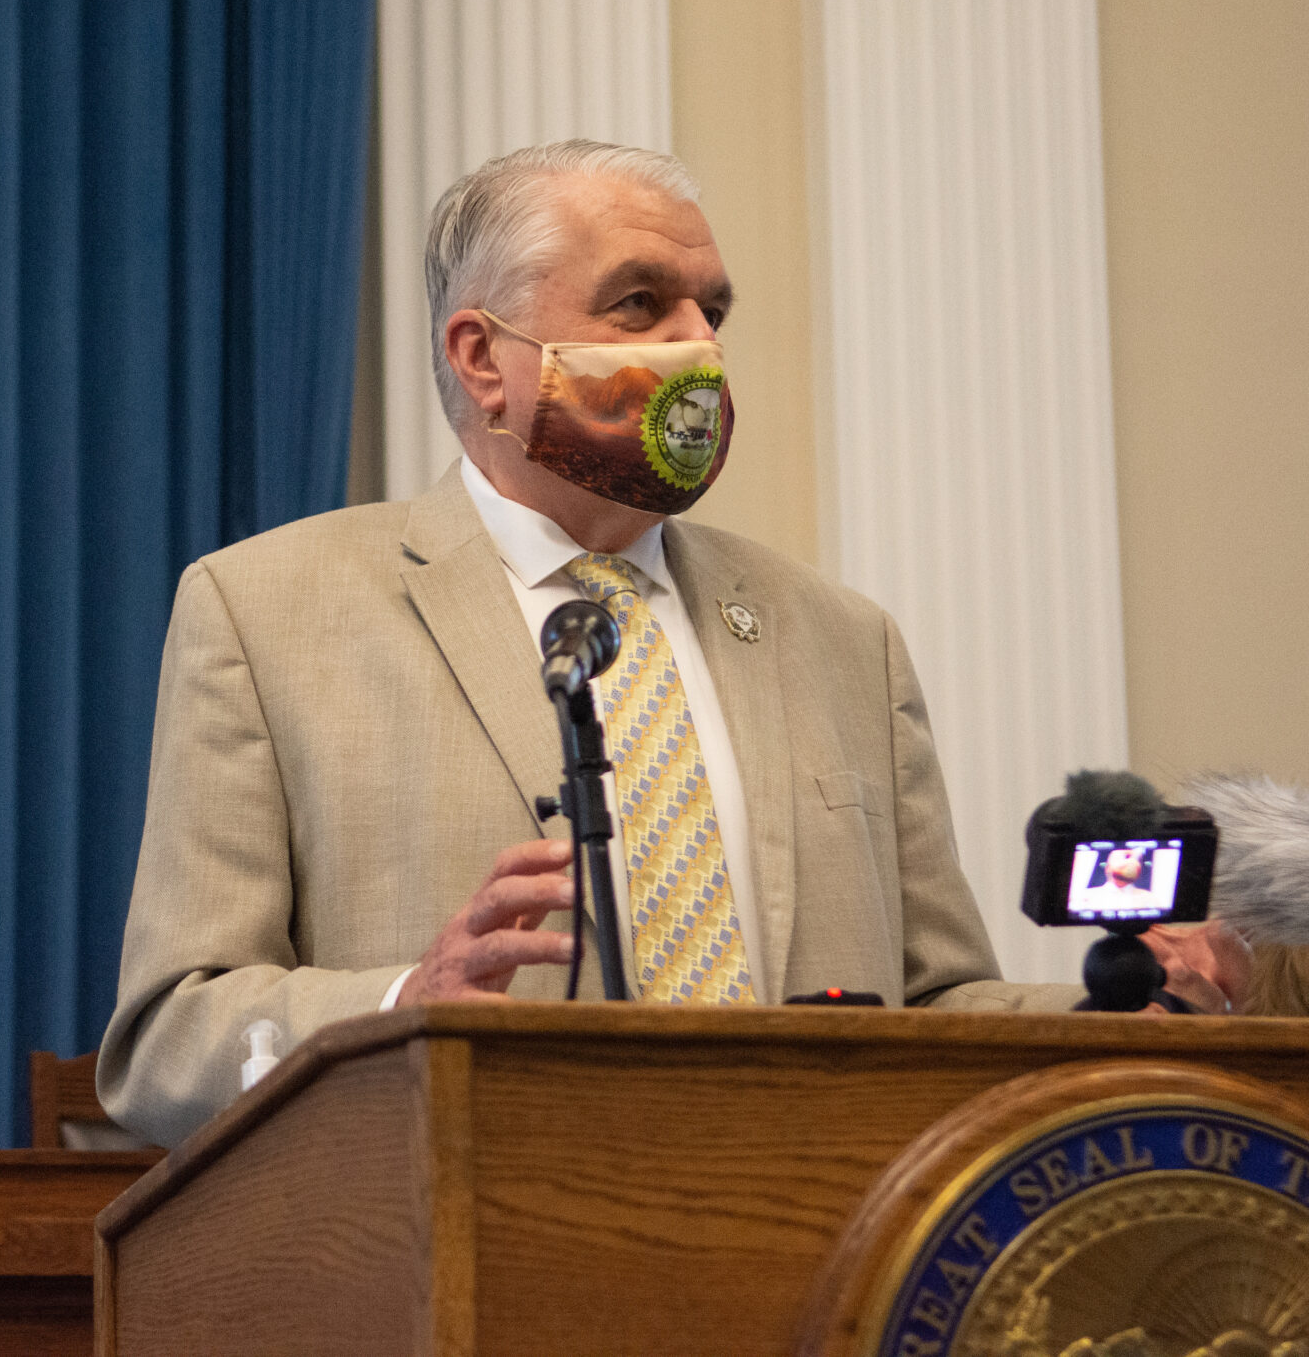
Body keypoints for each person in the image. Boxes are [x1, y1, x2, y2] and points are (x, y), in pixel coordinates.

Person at [98, 140, 1074, 1148]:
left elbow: (943, 1008)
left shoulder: (839, 640)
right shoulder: (267, 613)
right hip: (479, 1253)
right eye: (641, 306)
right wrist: (399, 1007)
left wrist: (1135, 1015)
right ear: (482, 358)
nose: (698, 345)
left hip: (822, 1249)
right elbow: (168, 1042)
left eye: (712, 311)